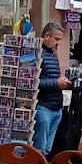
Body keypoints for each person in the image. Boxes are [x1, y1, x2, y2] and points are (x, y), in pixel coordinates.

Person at [35, 21, 71, 154]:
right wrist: (56, 83)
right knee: (40, 147)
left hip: (56, 107)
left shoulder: (53, 56)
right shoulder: (38, 55)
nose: (58, 43)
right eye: (56, 39)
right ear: (47, 36)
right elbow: (34, 82)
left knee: (47, 148)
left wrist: (60, 82)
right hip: (44, 106)